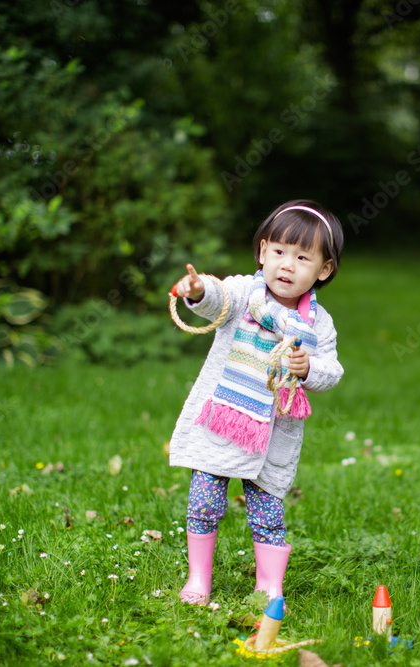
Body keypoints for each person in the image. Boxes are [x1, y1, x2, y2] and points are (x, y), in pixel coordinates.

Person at [168, 200, 345, 606]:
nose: (287, 265)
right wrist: (199, 291)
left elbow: (331, 371)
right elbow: (217, 298)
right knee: (204, 500)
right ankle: (199, 579)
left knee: (267, 510)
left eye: (303, 257)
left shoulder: (318, 324)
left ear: (323, 270)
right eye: (279, 252)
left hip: (273, 433)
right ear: (263, 251)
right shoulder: (245, 293)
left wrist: (306, 369)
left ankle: (268, 587)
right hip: (224, 421)